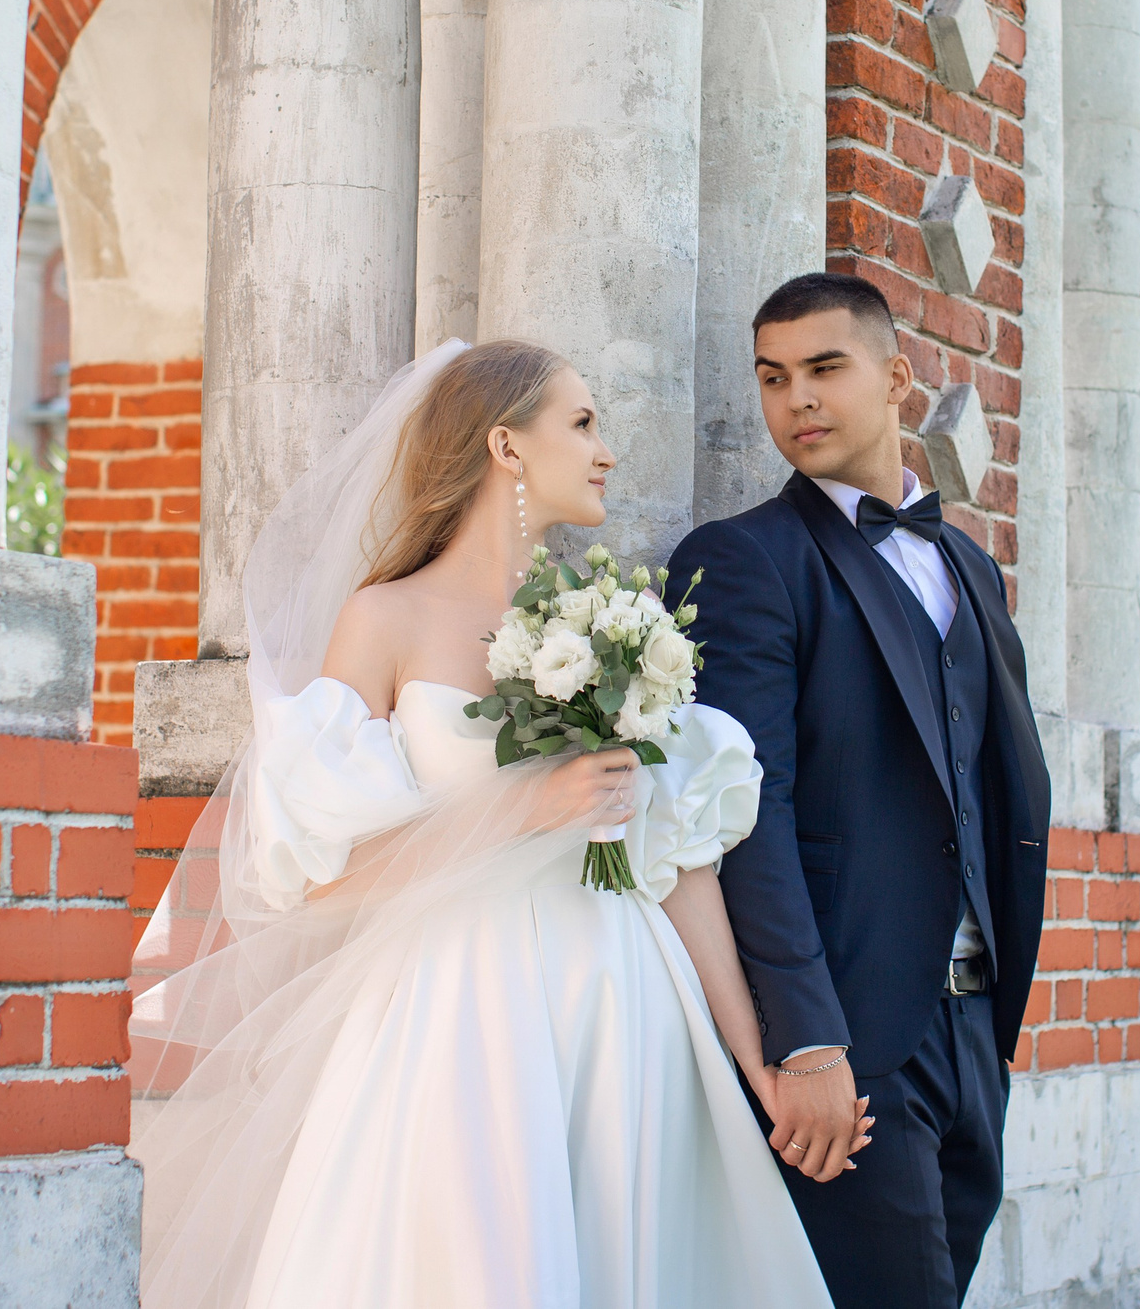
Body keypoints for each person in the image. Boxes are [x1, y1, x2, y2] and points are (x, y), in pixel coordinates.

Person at [128, 339, 847, 1308]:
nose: (605, 450)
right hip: (466, 1008)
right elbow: (319, 868)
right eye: (582, 422)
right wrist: (526, 808)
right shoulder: (384, 619)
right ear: (506, 446)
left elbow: (678, 868)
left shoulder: (617, 619)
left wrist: (752, 1056)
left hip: (626, 995)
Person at [669, 273, 1053, 1309]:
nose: (796, 399)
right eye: (772, 377)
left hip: (975, 1031)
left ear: (897, 376)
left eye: (824, 369)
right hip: (850, 1041)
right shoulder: (743, 561)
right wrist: (805, 1039)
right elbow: (751, 819)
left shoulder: (970, 566)